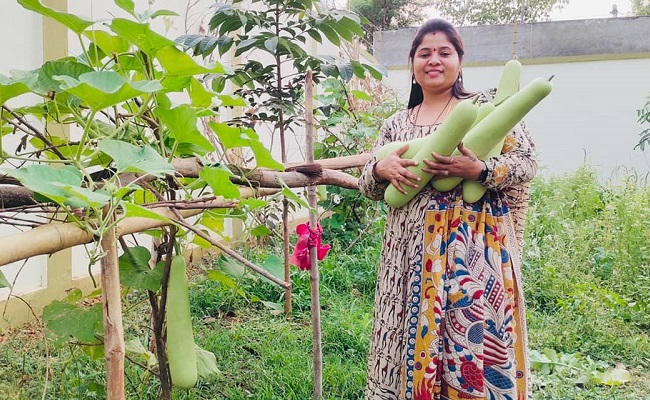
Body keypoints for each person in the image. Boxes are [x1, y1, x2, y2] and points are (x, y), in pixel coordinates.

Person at [358, 18, 537, 400]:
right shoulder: (394, 126)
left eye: (444, 52)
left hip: (473, 255)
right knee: (409, 339)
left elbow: (527, 163)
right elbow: (368, 185)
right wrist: (378, 168)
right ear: (412, 64)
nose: (434, 60)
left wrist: (480, 169)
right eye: (424, 53)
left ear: (460, 61)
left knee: (473, 339)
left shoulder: (488, 111)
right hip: (409, 255)